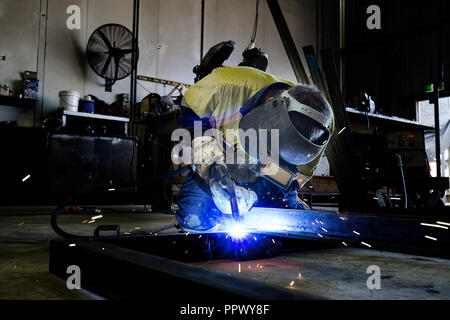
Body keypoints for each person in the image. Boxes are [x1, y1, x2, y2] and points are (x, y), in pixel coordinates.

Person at [175, 65, 334, 232]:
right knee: (195, 218)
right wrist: (212, 171)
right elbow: (192, 119)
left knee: (286, 224)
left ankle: (291, 205)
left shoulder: (320, 128)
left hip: (266, 178)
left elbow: (289, 179)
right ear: (268, 105)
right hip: (222, 166)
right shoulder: (222, 86)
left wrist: (255, 196)